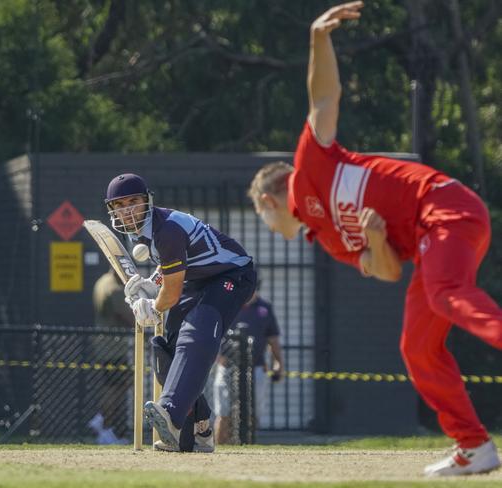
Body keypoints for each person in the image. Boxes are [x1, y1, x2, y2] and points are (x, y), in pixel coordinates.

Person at [248, 1, 502, 477]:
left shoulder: (309, 170)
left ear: (267, 201)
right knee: (417, 348)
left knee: (446, 296)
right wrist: (376, 240)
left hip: (445, 207)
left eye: (263, 219)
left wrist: (317, 39)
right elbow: (386, 271)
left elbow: (324, 99)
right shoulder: (328, 240)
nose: (270, 230)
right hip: (431, 240)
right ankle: (474, 445)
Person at [105, 173, 256, 452]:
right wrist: (152, 284)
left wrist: (152, 306)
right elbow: (173, 266)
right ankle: (200, 427)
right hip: (196, 281)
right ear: (112, 209)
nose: (127, 210)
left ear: (146, 201)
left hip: (232, 275)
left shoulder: (167, 230)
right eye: (119, 204)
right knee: (167, 350)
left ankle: (170, 412)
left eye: (133, 202)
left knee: (198, 329)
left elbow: (171, 294)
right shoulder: (145, 233)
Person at [213, 290, 283, 444]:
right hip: (227, 367)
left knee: (253, 412)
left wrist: (278, 364)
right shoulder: (226, 304)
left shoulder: (264, 308)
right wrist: (218, 357)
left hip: (256, 367)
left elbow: (273, 339)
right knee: (223, 412)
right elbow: (212, 331)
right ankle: (221, 447)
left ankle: (248, 445)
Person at [88, 268, 135, 445]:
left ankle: (103, 423)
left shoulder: (101, 281)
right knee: (114, 386)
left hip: (107, 345)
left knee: (120, 382)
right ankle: (103, 424)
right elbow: (130, 317)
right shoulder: (113, 288)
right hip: (113, 348)